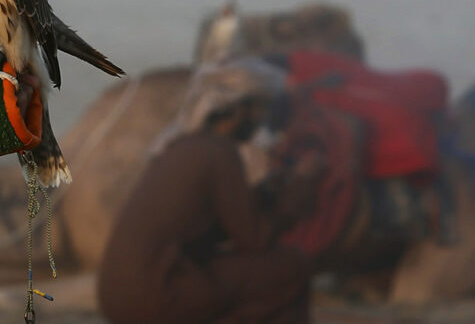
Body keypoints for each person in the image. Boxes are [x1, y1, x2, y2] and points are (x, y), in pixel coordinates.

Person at [97, 58, 319, 324]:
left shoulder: (184, 146)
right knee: (292, 267)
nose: (261, 120)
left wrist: (270, 190)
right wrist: (301, 186)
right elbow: (255, 239)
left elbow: (224, 221)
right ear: (238, 110)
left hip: (116, 297)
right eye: (259, 110)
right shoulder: (219, 151)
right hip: (156, 297)